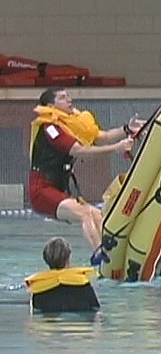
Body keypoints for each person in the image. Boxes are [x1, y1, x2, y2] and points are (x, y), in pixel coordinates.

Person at [28, 86, 145, 254]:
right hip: (41, 191)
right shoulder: (50, 128)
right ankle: (100, 256)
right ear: (51, 106)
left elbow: (102, 136)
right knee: (84, 213)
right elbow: (79, 151)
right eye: (62, 98)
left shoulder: (70, 124)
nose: (69, 100)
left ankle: (116, 254)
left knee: (98, 215)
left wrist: (126, 129)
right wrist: (116, 149)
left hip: (58, 190)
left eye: (68, 96)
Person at [25, 237, 100, 313]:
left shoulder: (38, 291)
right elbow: (95, 309)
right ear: (68, 258)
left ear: (46, 259)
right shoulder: (83, 286)